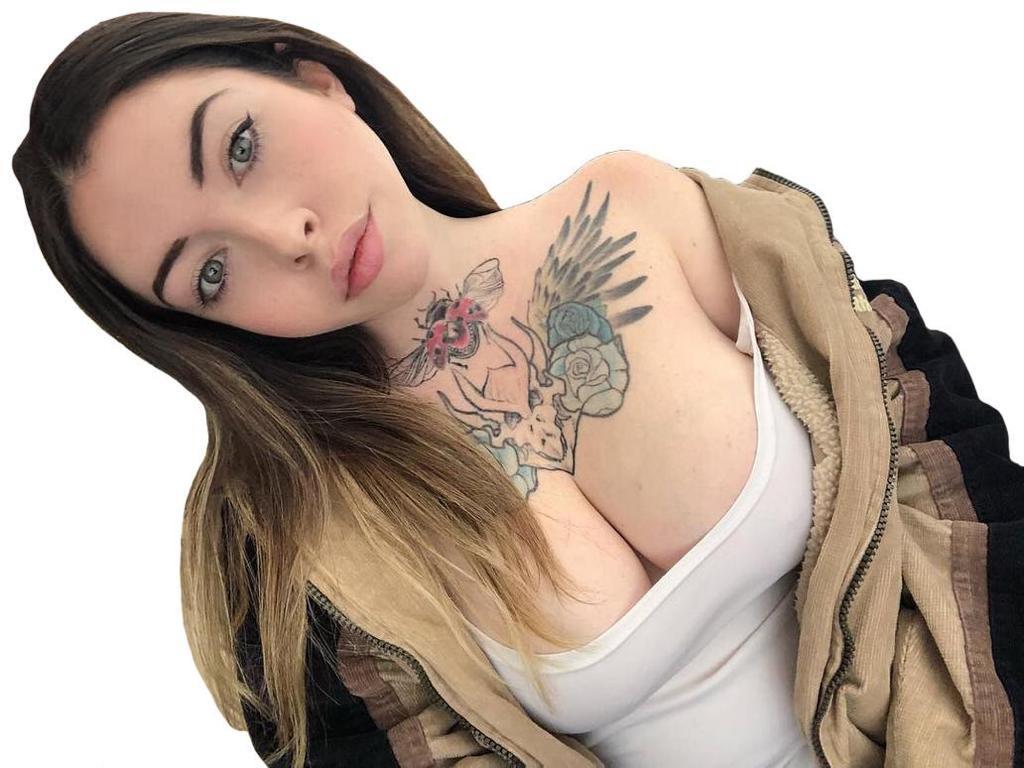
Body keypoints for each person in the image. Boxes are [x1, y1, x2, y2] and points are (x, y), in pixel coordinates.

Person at [13, 11, 1023, 768]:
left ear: (317, 80)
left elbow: (960, 492)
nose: (287, 237)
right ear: (207, 331)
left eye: (241, 148)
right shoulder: (295, 549)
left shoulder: (641, 203)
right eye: (210, 272)